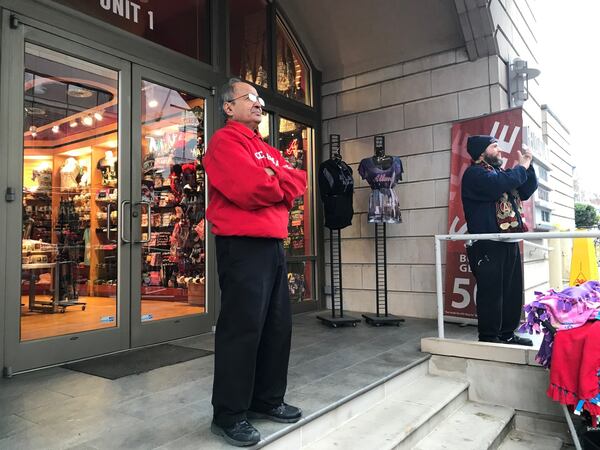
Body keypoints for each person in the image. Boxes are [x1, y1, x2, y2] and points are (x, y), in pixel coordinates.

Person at [203, 78, 307, 447]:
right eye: (251, 98)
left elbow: (299, 182)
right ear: (229, 107)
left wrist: (275, 178)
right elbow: (248, 190)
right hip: (241, 245)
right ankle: (229, 414)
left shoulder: (266, 148)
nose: (259, 104)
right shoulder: (223, 142)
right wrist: (278, 184)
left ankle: (266, 399)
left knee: (278, 327)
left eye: (261, 99)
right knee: (242, 328)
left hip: (273, 245)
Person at [461, 135, 538, 346]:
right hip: (487, 243)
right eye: (495, 147)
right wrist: (520, 168)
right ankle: (489, 338)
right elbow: (498, 185)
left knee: (511, 293)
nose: (500, 150)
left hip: (508, 241)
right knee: (491, 293)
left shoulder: (500, 173)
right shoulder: (474, 174)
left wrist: (528, 167)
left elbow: (524, 190)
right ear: (481, 152)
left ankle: (507, 334)